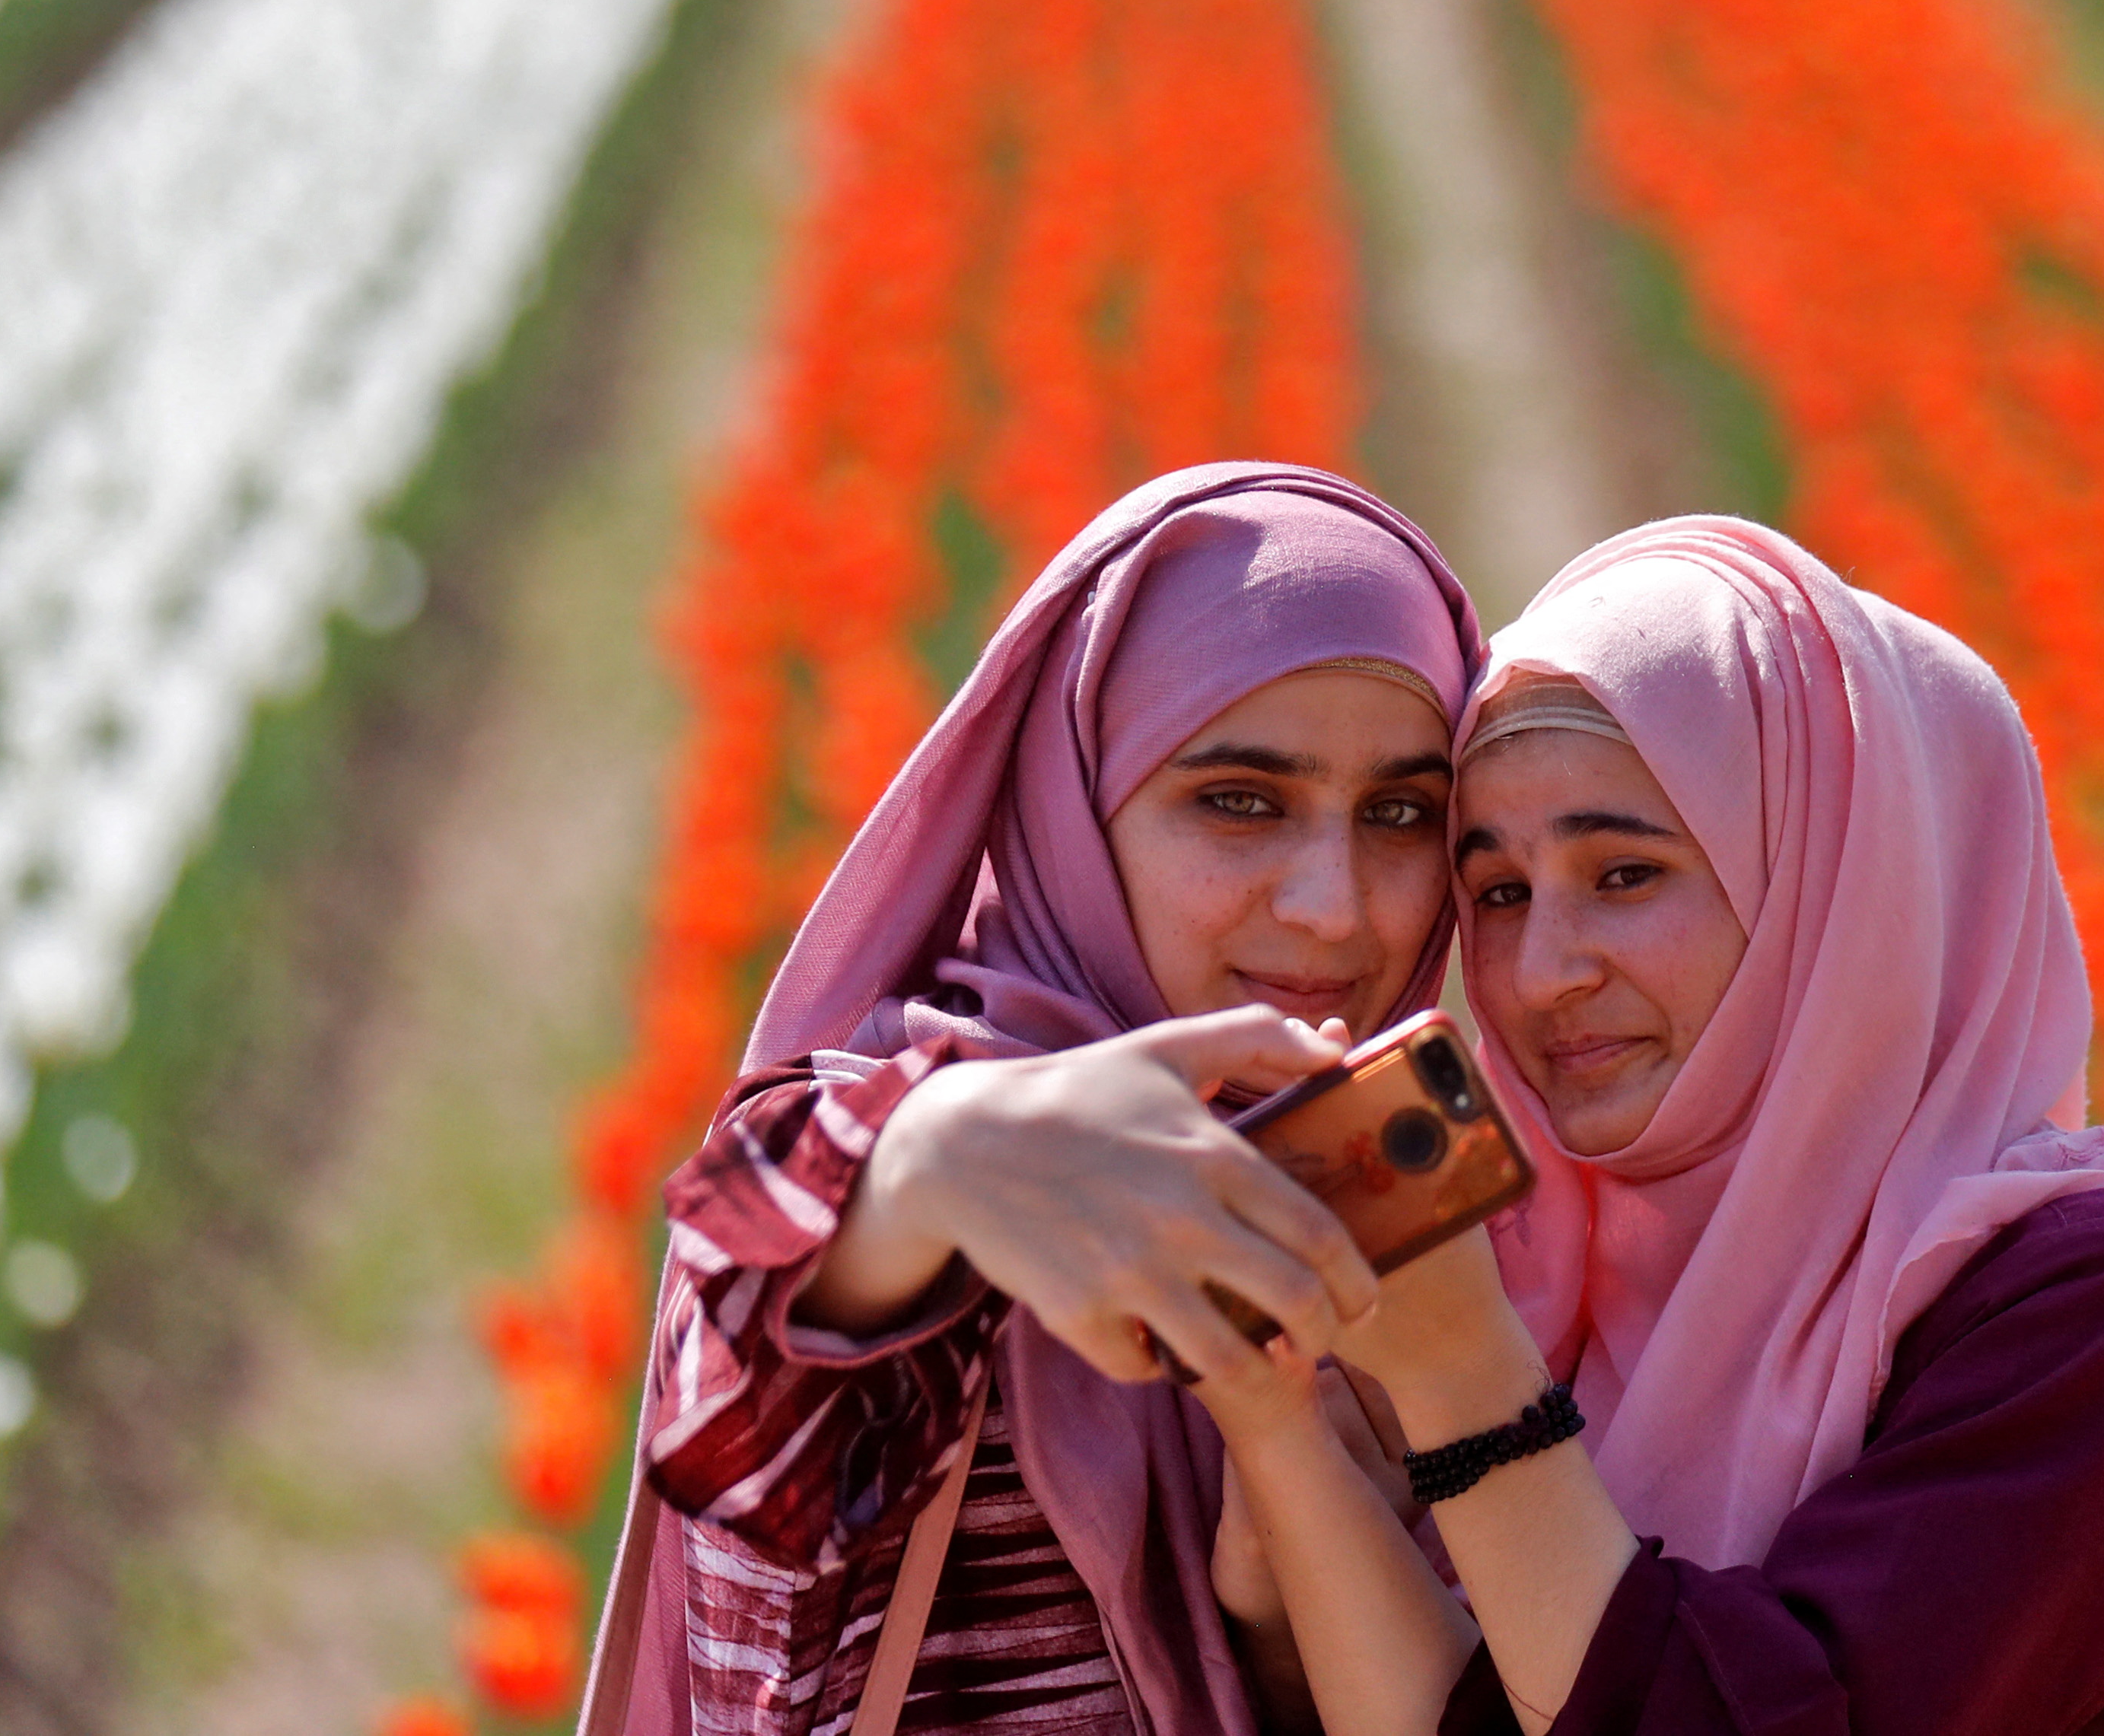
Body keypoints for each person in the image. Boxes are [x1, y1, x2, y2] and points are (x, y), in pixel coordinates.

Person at [1195, 518, 2104, 1735]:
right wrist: (1276, 1428)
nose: (1538, 974)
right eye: (1497, 892)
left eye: (1625, 873)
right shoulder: (1556, 1304)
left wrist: (1465, 1383)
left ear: (1846, 897)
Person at [578, 463, 1491, 1736]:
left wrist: (1288, 1597)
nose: (1333, 906)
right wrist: (943, 1153)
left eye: (1400, 812)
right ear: (1072, 799)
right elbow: (733, 1328)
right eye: (1238, 799)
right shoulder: (913, 1134)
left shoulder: (1419, 1200)